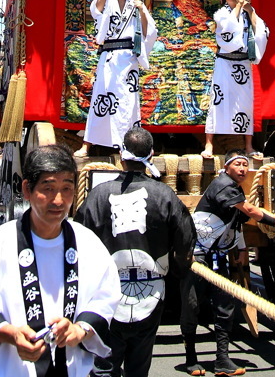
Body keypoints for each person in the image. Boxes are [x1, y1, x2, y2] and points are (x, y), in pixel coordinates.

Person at [0, 145, 120, 377]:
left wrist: (80, 330)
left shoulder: (88, 243)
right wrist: (12, 335)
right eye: (48, 188)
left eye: (67, 188)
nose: (58, 200)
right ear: (27, 189)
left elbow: (106, 297)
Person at [76, 128, 195, 377]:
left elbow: (78, 240)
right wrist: (179, 269)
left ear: (121, 156)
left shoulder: (97, 195)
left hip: (104, 292)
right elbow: (185, 237)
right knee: (139, 365)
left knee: (103, 365)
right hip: (151, 291)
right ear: (151, 155)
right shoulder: (165, 195)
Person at [180, 150, 275, 377]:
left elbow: (239, 221)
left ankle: (222, 360)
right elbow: (248, 210)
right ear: (227, 167)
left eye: (245, 165)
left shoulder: (235, 191)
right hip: (197, 256)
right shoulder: (223, 185)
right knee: (192, 306)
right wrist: (271, 219)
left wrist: (242, 250)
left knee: (225, 307)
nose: (243, 169)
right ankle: (190, 359)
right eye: (238, 164)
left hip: (217, 255)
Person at [75, 0, 157, 158]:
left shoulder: (135, 4)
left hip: (128, 58)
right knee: (101, 98)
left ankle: (127, 146)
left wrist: (143, 11)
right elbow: (96, 10)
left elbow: (148, 32)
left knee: (128, 102)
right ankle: (87, 144)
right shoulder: (108, 0)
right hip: (109, 56)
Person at [203, 0, 268, 159]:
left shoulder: (247, 11)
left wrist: (250, 9)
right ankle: (209, 143)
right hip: (224, 62)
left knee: (245, 103)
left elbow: (261, 31)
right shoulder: (220, 14)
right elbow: (227, 30)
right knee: (218, 101)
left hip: (243, 63)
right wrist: (239, 6)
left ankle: (248, 145)